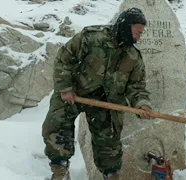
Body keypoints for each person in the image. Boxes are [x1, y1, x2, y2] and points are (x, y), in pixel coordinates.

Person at [42, 7, 154, 180]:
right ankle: (60, 171)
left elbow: (136, 87)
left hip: (105, 101)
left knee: (109, 141)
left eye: (141, 33)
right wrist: (65, 88)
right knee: (57, 125)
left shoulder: (133, 57)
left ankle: (111, 175)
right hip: (74, 92)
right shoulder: (92, 37)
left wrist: (142, 104)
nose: (139, 36)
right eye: (137, 32)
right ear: (125, 27)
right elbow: (64, 58)